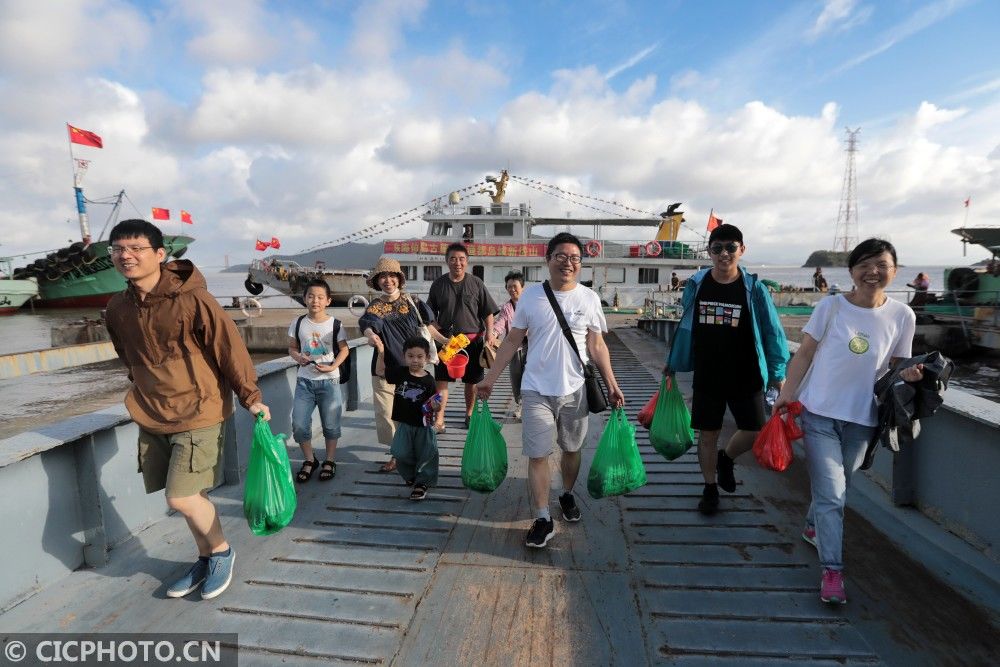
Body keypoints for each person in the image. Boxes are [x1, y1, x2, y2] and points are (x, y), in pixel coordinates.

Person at [103, 219, 270, 601]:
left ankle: (223, 552)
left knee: (180, 498)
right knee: (189, 493)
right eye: (118, 249)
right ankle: (205, 555)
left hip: (200, 407)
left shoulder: (193, 299)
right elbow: (126, 355)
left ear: (160, 255)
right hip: (152, 411)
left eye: (135, 249)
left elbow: (229, 348)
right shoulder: (116, 307)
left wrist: (250, 396)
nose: (125, 256)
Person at [774, 238, 921, 604]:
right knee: (833, 495)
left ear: (894, 271)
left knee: (839, 488)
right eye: (865, 264)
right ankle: (833, 573)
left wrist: (912, 375)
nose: (873, 272)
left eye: (881, 264)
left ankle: (812, 528)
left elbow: (895, 365)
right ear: (852, 271)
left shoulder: (903, 315)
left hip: (864, 418)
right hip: (819, 413)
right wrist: (786, 394)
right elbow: (805, 353)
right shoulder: (832, 306)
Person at [478, 233, 625, 549]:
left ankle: (568, 493)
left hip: (575, 389)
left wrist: (612, 383)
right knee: (538, 454)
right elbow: (513, 340)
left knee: (572, 450)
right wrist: (490, 378)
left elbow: (597, 345)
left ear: (580, 264)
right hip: (535, 389)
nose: (568, 262)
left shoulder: (588, 298)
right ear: (548, 259)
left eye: (574, 258)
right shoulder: (531, 297)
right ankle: (544, 517)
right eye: (561, 256)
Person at [665, 223, 788, 516]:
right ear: (709, 252)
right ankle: (709, 489)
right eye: (717, 248)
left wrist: (778, 373)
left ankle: (727, 458)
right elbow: (686, 326)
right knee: (707, 434)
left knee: (753, 429)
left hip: (747, 373)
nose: (724, 254)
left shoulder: (754, 289)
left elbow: (772, 332)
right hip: (708, 373)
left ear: (741, 250)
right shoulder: (697, 284)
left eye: (731, 247)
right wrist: (672, 364)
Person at [359, 257, 443, 471]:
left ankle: (414, 451)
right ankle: (396, 455)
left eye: (392, 276)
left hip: (414, 368)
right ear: (377, 281)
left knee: (413, 413)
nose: (388, 280)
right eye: (383, 277)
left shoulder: (412, 301)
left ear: (399, 279)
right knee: (387, 414)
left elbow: (428, 328)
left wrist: (446, 341)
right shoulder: (375, 307)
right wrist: (371, 337)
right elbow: (368, 326)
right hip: (385, 368)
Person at [427, 243, 498, 431]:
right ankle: (439, 418)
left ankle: (469, 414)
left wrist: (490, 334)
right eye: (453, 258)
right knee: (441, 382)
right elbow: (429, 316)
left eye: (461, 259)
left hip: (473, 340)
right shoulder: (438, 284)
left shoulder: (476, 283)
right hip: (447, 342)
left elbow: (488, 312)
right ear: (446, 261)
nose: (457, 263)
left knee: (472, 382)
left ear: (467, 262)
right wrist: (438, 332)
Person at [287, 279, 349, 483]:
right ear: (304, 298)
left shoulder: (335, 324)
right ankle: (310, 459)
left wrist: (332, 366)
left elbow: (344, 349)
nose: (315, 301)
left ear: (328, 300)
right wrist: (298, 358)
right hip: (305, 381)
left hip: (329, 381)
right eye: (311, 296)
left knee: (330, 425)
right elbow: (292, 348)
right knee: (299, 424)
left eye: (321, 297)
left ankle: (329, 461)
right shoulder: (297, 323)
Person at [374, 336, 441, 500]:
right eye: (410, 356)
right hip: (404, 423)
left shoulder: (429, 380)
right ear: (404, 356)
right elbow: (380, 372)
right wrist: (381, 352)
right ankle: (411, 474)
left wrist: (436, 408)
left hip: (422, 425)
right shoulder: (400, 372)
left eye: (419, 356)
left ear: (426, 358)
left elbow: (435, 402)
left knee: (427, 454)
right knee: (399, 452)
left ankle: (422, 483)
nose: (415, 360)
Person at [492, 270, 527, 420]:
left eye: (515, 286)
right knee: (516, 377)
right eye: (509, 287)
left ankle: (526, 406)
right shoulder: (506, 307)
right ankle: (520, 403)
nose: (512, 290)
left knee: (530, 377)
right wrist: (493, 334)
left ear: (522, 287)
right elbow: (501, 323)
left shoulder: (530, 303)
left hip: (532, 347)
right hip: (514, 348)